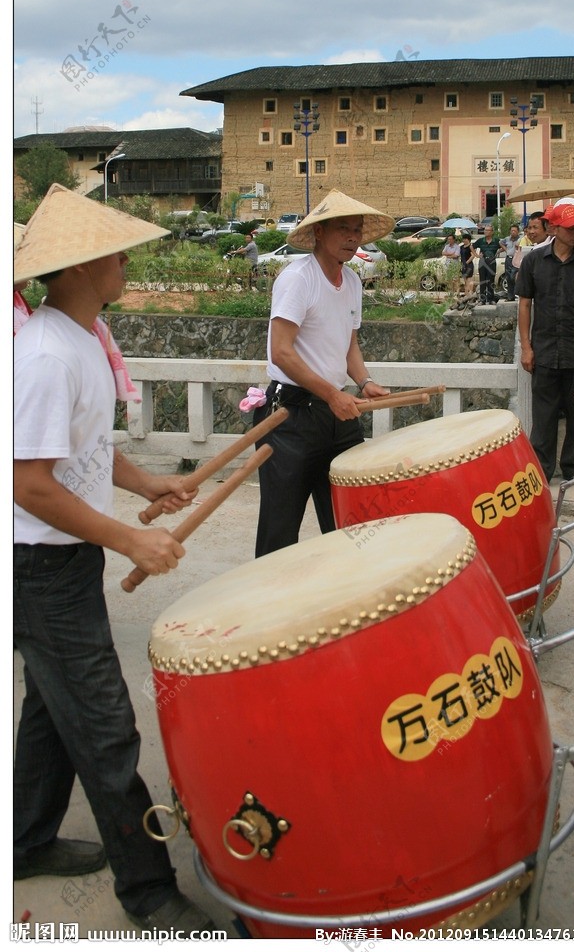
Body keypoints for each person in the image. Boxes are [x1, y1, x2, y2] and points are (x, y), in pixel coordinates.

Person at [13, 184, 215, 933]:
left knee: (48, 710)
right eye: (116, 250)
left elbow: (83, 455)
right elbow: (28, 483)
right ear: (78, 266)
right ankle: (150, 891)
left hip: (62, 563)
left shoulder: (82, 340)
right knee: (104, 727)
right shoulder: (40, 356)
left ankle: (25, 840)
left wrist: (146, 484)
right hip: (34, 567)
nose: (126, 260)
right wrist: (130, 538)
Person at [252, 189, 394, 557]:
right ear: (318, 232)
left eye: (357, 230)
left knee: (351, 524)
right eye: (343, 228)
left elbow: (349, 345)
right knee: (279, 531)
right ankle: (271, 608)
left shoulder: (352, 282)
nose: (352, 237)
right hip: (292, 417)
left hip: (339, 415)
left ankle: (348, 605)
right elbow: (281, 352)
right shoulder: (298, 277)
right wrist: (331, 393)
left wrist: (364, 382)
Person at [516, 201, 574, 483]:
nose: (573, 233)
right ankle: (541, 474)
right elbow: (525, 305)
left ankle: (572, 473)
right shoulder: (533, 261)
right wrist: (526, 348)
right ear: (554, 228)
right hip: (545, 353)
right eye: (569, 228)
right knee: (544, 419)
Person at [471, 224, 501, 305]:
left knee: (491, 281)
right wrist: (476, 255)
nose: (486, 232)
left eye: (488, 230)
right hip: (483, 262)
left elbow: (503, 247)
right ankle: (482, 300)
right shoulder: (481, 240)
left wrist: (498, 251)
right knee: (482, 281)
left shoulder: (496, 241)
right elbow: (472, 247)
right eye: (485, 230)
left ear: (492, 232)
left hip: (492, 262)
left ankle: (491, 299)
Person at [499, 223, 521, 301]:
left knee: (514, 277)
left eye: (515, 231)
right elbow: (500, 243)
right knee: (508, 277)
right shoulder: (507, 239)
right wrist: (506, 250)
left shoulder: (520, 239)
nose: (513, 232)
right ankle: (510, 297)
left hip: (516, 259)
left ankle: (517, 294)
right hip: (508, 259)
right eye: (512, 231)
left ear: (518, 232)